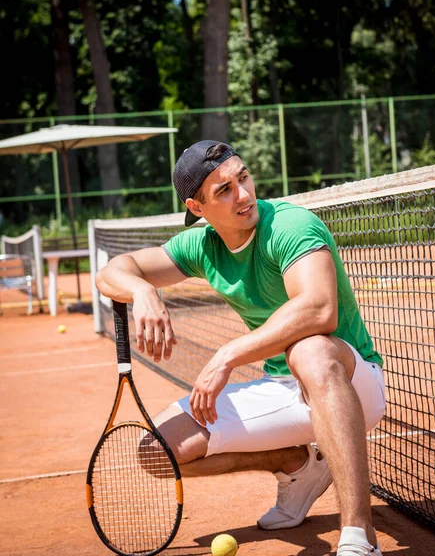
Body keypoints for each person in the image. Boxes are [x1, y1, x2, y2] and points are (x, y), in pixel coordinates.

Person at [95, 140, 386, 556]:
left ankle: (359, 536)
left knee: (309, 351)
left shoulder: (289, 225)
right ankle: (295, 463)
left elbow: (319, 309)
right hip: (282, 388)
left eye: (243, 177)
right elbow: (111, 272)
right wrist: (141, 290)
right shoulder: (202, 245)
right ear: (198, 208)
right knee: (156, 454)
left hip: (351, 383)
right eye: (224, 190)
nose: (244, 195)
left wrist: (228, 354)